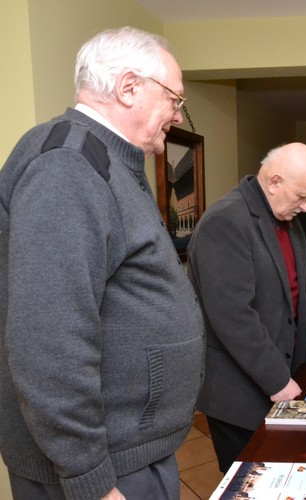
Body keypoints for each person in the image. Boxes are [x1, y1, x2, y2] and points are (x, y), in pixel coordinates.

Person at [0, 27, 204, 500]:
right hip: (100, 470)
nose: (177, 114)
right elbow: (48, 340)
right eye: (174, 99)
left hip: (129, 453)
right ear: (128, 87)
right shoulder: (68, 167)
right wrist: (89, 477)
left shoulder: (106, 160)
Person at [187, 143, 306, 473]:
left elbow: (304, 283)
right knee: (250, 484)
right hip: (241, 392)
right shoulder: (225, 222)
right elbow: (234, 317)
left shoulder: (287, 216)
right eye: (302, 196)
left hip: (283, 374)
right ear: (274, 181)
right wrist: (276, 380)